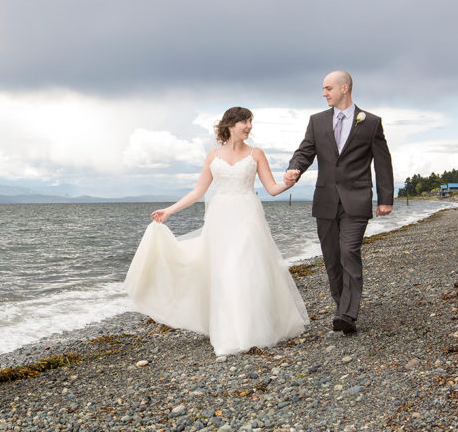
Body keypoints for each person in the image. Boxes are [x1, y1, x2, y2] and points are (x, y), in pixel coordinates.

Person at [124, 107, 309, 356]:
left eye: (250, 122)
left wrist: (288, 182)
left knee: (246, 268)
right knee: (223, 271)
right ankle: (229, 330)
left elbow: (273, 189)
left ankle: (252, 329)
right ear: (231, 125)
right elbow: (198, 192)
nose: (249, 126)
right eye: (245, 122)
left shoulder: (256, 154)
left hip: (248, 217)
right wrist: (169, 210)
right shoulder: (213, 156)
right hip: (220, 220)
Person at [285, 70, 393, 334]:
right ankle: (341, 308)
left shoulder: (371, 122)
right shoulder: (317, 121)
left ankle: (347, 314)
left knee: (349, 252)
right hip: (325, 200)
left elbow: (382, 161)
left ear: (345, 88)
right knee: (332, 258)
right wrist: (295, 168)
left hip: (357, 199)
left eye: (328, 88)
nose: (324, 93)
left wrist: (385, 198)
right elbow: (305, 151)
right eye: (323, 89)